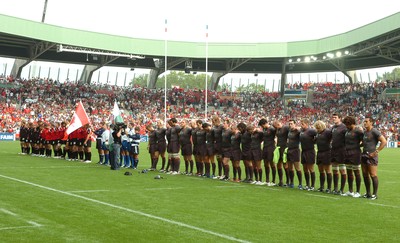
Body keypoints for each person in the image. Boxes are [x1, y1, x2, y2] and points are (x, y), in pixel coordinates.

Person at [361, 116, 387, 200]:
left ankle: (374, 194)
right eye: (364, 121)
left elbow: (384, 141)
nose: (364, 123)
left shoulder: (374, 131)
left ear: (371, 122)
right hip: (364, 155)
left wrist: (376, 152)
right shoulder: (364, 132)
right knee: (365, 174)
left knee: (373, 175)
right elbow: (364, 143)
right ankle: (368, 193)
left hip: (372, 156)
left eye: (366, 121)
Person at [342, 116, 364, 198]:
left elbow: (364, 141)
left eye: (348, 124)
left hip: (355, 153)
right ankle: (350, 191)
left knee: (356, 172)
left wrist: (357, 146)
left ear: (352, 123)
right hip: (347, 153)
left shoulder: (358, 131)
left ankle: (357, 192)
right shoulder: (347, 131)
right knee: (349, 172)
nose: (346, 126)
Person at [314, 120, 333, 193]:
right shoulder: (317, 133)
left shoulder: (327, 132)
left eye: (318, 128)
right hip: (319, 152)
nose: (317, 129)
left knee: (327, 170)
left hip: (327, 152)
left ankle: (329, 187)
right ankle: (322, 186)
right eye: (317, 128)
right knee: (321, 170)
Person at [330, 113, 347, 195]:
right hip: (333, 151)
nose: (334, 119)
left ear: (340, 118)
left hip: (341, 151)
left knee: (342, 170)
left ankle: (341, 189)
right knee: (335, 171)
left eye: (335, 117)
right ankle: (335, 188)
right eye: (333, 117)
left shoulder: (344, 127)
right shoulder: (333, 127)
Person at [299, 118, 317, 191]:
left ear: (306, 124)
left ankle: (312, 186)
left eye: (302, 124)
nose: (301, 125)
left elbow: (318, 135)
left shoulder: (311, 131)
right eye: (301, 124)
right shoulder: (301, 131)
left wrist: (314, 141)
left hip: (310, 151)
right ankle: (307, 185)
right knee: (305, 168)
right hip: (303, 151)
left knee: (311, 169)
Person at [259, 118, 277, 186]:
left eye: (261, 125)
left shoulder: (272, 129)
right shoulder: (264, 129)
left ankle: (273, 181)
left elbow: (277, 135)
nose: (261, 127)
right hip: (265, 148)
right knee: (266, 164)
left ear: (264, 123)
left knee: (272, 164)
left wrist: (276, 141)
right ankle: (267, 180)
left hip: (271, 148)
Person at [273, 120, 290, 186]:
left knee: (285, 164)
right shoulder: (277, 130)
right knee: (278, 164)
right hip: (278, 148)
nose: (276, 127)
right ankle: (281, 181)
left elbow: (291, 130)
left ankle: (288, 181)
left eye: (276, 126)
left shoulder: (285, 128)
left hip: (284, 147)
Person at [287, 119, 303, 189]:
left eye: (292, 124)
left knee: (297, 168)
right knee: (290, 168)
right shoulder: (289, 131)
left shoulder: (298, 131)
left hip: (295, 150)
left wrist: (299, 128)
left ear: (295, 124)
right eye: (289, 124)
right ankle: (292, 183)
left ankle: (300, 184)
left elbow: (303, 131)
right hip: (289, 150)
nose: (290, 125)